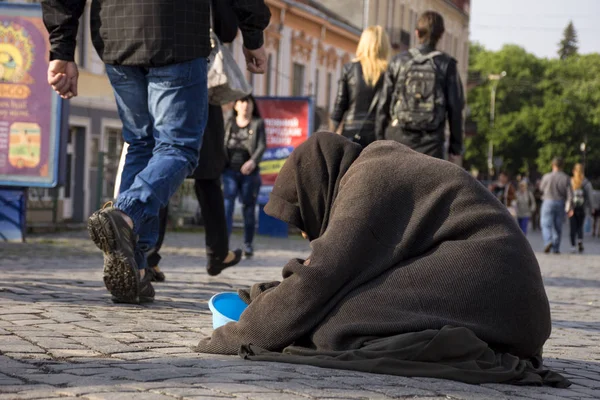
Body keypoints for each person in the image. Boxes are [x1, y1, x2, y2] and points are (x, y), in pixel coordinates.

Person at [195, 132, 568, 387]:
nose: (308, 236)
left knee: (332, 327)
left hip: (497, 286)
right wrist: (267, 294)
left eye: (303, 223)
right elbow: (342, 274)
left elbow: (320, 280)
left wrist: (233, 336)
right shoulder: (371, 166)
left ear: (316, 188)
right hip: (511, 302)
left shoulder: (368, 180)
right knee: (330, 311)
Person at [41, 0, 271, 304]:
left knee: (140, 143)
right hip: (177, 33)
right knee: (178, 147)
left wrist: (62, 48)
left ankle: (135, 269)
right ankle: (126, 213)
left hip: (116, 34)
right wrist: (253, 36)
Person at [375, 11, 464, 162]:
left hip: (397, 138)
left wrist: (379, 138)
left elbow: (383, 103)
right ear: (440, 35)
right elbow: (455, 108)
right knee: (428, 185)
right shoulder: (447, 65)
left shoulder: (398, 61)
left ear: (417, 33)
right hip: (431, 142)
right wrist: (455, 147)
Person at [330, 26, 390, 148]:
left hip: (351, 134)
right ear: (384, 46)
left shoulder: (350, 69)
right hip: (379, 136)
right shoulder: (389, 72)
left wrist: (331, 134)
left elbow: (339, 106)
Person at [223, 95, 266, 258]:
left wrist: (253, 162)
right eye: (241, 102)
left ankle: (248, 244)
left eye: (248, 102)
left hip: (249, 172)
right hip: (229, 171)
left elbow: (262, 145)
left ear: (253, 106)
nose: (245, 105)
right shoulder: (228, 122)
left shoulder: (257, 124)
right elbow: (222, 143)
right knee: (227, 205)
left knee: (248, 208)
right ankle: (224, 244)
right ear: (235, 105)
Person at [540, 157, 571, 254]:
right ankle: (556, 247)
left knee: (545, 224)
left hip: (548, 201)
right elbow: (569, 194)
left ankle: (548, 241)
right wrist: (570, 206)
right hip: (560, 202)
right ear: (562, 166)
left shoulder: (546, 176)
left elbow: (541, 188)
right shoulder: (566, 177)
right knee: (558, 226)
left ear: (552, 165)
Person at [566, 163, 594, 253]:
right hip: (582, 208)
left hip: (572, 208)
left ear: (574, 171)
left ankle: (573, 246)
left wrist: (569, 208)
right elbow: (590, 196)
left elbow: (569, 196)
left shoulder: (571, 181)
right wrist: (591, 207)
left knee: (572, 227)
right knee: (580, 226)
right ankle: (580, 241)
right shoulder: (586, 182)